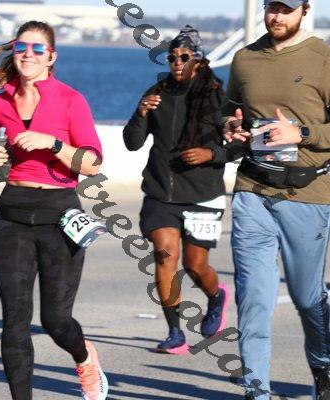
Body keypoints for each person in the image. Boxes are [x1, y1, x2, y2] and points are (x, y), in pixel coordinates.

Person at [0, 21, 108, 400]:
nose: (28, 54)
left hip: (59, 215)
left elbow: (92, 164)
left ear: (51, 57)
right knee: (15, 320)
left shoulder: (70, 100)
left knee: (56, 320)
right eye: (21, 47)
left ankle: (84, 357)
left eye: (37, 49)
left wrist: (53, 144)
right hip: (13, 214)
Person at [223, 1, 330, 399]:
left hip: (308, 193)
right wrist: (230, 126)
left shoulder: (323, 58)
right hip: (253, 189)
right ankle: (258, 391)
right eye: (272, 7)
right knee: (253, 299)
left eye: (287, 8)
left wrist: (301, 134)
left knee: (307, 298)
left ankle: (323, 363)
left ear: (305, 9)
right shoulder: (245, 58)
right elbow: (227, 112)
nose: (277, 16)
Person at [123, 26, 231, 355]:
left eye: (184, 57)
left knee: (196, 266)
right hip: (162, 193)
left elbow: (239, 147)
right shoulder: (157, 93)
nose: (177, 63)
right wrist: (140, 113)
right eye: (172, 58)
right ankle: (175, 332)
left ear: (199, 60)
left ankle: (216, 297)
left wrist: (210, 153)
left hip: (203, 193)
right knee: (165, 255)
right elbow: (132, 143)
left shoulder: (218, 97)